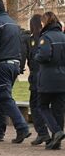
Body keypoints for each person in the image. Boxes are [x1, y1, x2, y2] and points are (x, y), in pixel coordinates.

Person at [0, 0, 31, 143]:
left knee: (4, 97)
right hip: (15, 64)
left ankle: (22, 127)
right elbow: (22, 46)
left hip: (2, 64)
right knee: (2, 98)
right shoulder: (14, 24)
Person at [34, 11, 65, 150]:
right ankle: (56, 141)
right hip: (62, 77)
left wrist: (37, 56)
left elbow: (44, 56)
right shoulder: (63, 36)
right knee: (58, 109)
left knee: (42, 106)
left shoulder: (45, 37)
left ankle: (57, 132)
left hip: (48, 78)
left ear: (45, 22)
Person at [23, 14, 50, 145]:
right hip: (45, 76)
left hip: (37, 77)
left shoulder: (34, 39)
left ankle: (43, 132)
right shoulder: (45, 37)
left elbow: (31, 59)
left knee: (36, 105)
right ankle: (47, 132)